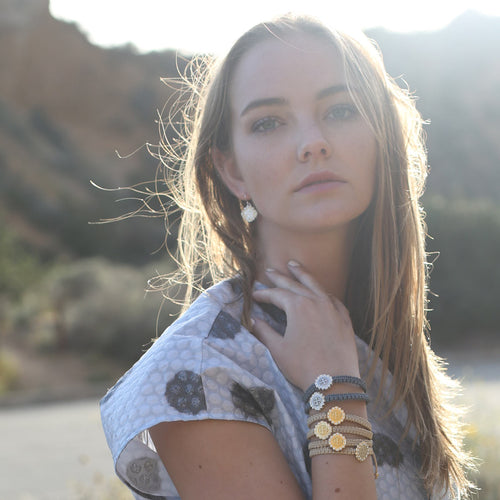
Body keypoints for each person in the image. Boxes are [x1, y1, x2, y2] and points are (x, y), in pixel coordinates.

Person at [100, 14, 473, 499]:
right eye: (269, 122)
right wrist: (335, 388)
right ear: (231, 170)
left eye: (340, 110)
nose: (313, 143)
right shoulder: (199, 373)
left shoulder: (382, 338)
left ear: (380, 135)